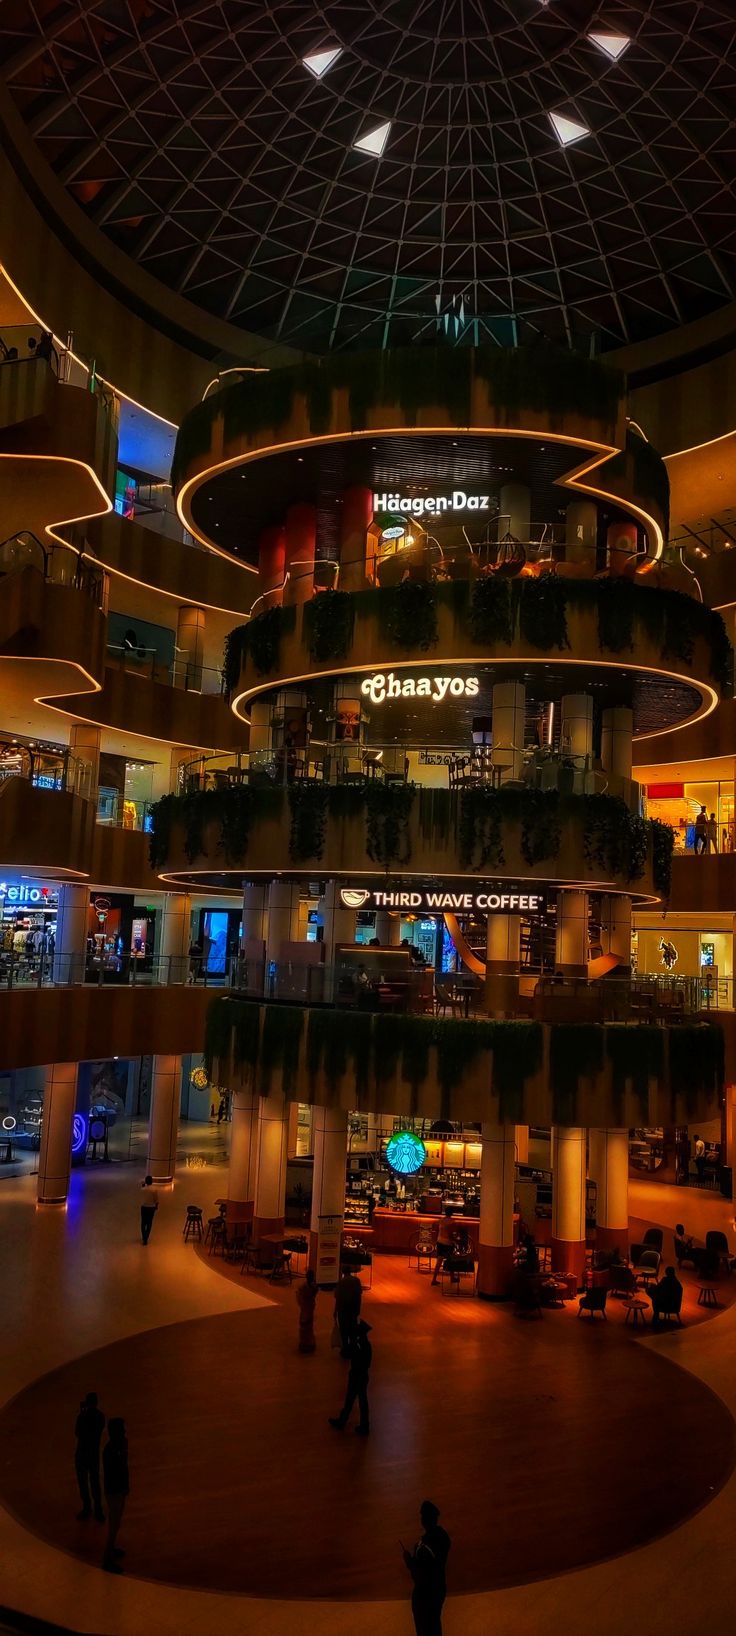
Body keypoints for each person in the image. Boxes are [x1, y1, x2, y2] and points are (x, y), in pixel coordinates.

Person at [403, 1499, 451, 1636]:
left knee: (425, 1629)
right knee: (435, 1626)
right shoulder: (443, 1537)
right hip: (438, 1589)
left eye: (423, 1516)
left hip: (425, 1596)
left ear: (425, 1519)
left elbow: (420, 1576)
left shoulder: (423, 1546)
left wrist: (409, 1562)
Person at [329, 1318, 372, 1435]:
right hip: (363, 1376)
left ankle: (343, 1422)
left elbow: (347, 1354)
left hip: (356, 1375)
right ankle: (364, 1425)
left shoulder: (356, 1345)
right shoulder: (367, 1346)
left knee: (350, 1400)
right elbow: (368, 1362)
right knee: (362, 1401)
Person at [102, 1418, 129, 1573]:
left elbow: (123, 1467)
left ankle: (110, 1551)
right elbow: (120, 1469)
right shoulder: (112, 1449)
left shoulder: (114, 1447)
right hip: (115, 1490)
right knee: (114, 1524)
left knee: (116, 1522)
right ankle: (107, 1559)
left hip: (117, 1489)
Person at [74, 1392, 105, 1522]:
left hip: (83, 1452)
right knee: (94, 1482)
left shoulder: (84, 1417)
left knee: (84, 1482)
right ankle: (97, 1509)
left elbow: (78, 1433)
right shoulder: (100, 1416)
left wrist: (82, 1415)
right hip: (92, 1453)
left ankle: (88, 1508)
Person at [333, 1265, 363, 1356]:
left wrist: (335, 1310)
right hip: (353, 1308)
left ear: (342, 1272)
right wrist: (358, 1308)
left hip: (343, 1309)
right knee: (353, 1328)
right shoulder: (356, 1281)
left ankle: (345, 1349)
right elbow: (359, 1295)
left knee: (344, 1330)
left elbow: (337, 1298)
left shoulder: (341, 1282)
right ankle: (353, 1347)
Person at [296, 1268, 318, 1353]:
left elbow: (299, 1295)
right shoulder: (313, 1286)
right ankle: (308, 1342)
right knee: (308, 1325)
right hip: (308, 1306)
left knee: (305, 1325)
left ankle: (305, 1343)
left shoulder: (304, 1287)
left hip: (306, 1307)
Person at [139, 1174, 159, 1244]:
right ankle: (146, 1237)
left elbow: (142, 1190)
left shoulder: (143, 1189)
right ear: (152, 1181)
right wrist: (156, 1206)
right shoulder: (154, 1190)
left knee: (143, 1223)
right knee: (149, 1223)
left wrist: (143, 1185)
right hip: (151, 1207)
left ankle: (143, 1236)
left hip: (144, 1207)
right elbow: (156, 1199)